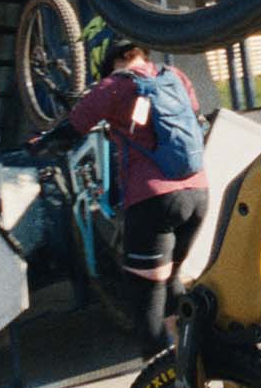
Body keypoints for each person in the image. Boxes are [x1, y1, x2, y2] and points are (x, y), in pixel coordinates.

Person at [56, 39, 209, 353]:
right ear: (142, 54)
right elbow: (197, 118)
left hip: (153, 202)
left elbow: (72, 128)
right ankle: (202, 356)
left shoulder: (114, 86)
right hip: (198, 194)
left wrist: (40, 140)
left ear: (113, 63)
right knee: (170, 279)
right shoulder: (176, 77)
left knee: (144, 298)